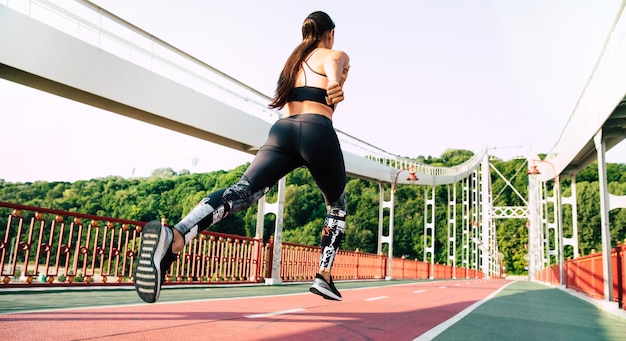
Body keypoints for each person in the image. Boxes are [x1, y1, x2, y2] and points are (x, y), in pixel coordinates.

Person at [134, 10, 350, 304]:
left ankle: (178, 235)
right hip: (317, 131)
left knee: (242, 192)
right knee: (336, 207)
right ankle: (323, 275)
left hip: (282, 132)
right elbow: (336, 61)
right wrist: (336, 81)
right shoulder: (330, 53)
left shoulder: (292, 64)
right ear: (331, 33)